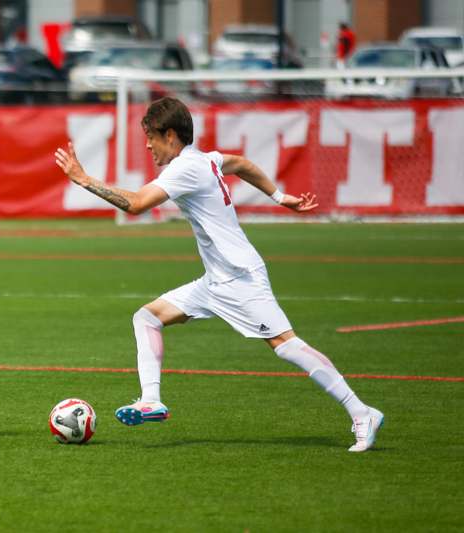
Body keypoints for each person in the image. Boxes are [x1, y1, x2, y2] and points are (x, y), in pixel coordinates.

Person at [54, 96, 384, 453]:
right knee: (147, 317)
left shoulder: (184, 169)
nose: (147, 145)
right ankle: (151, 401)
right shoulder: (205, 159)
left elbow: (135, 204)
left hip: (240, 278)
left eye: (150, 136)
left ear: (169, 135)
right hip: (215, 280)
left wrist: (83, 179)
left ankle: (361, 411)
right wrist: (279, 196)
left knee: (287, 346)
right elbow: (241, 163)